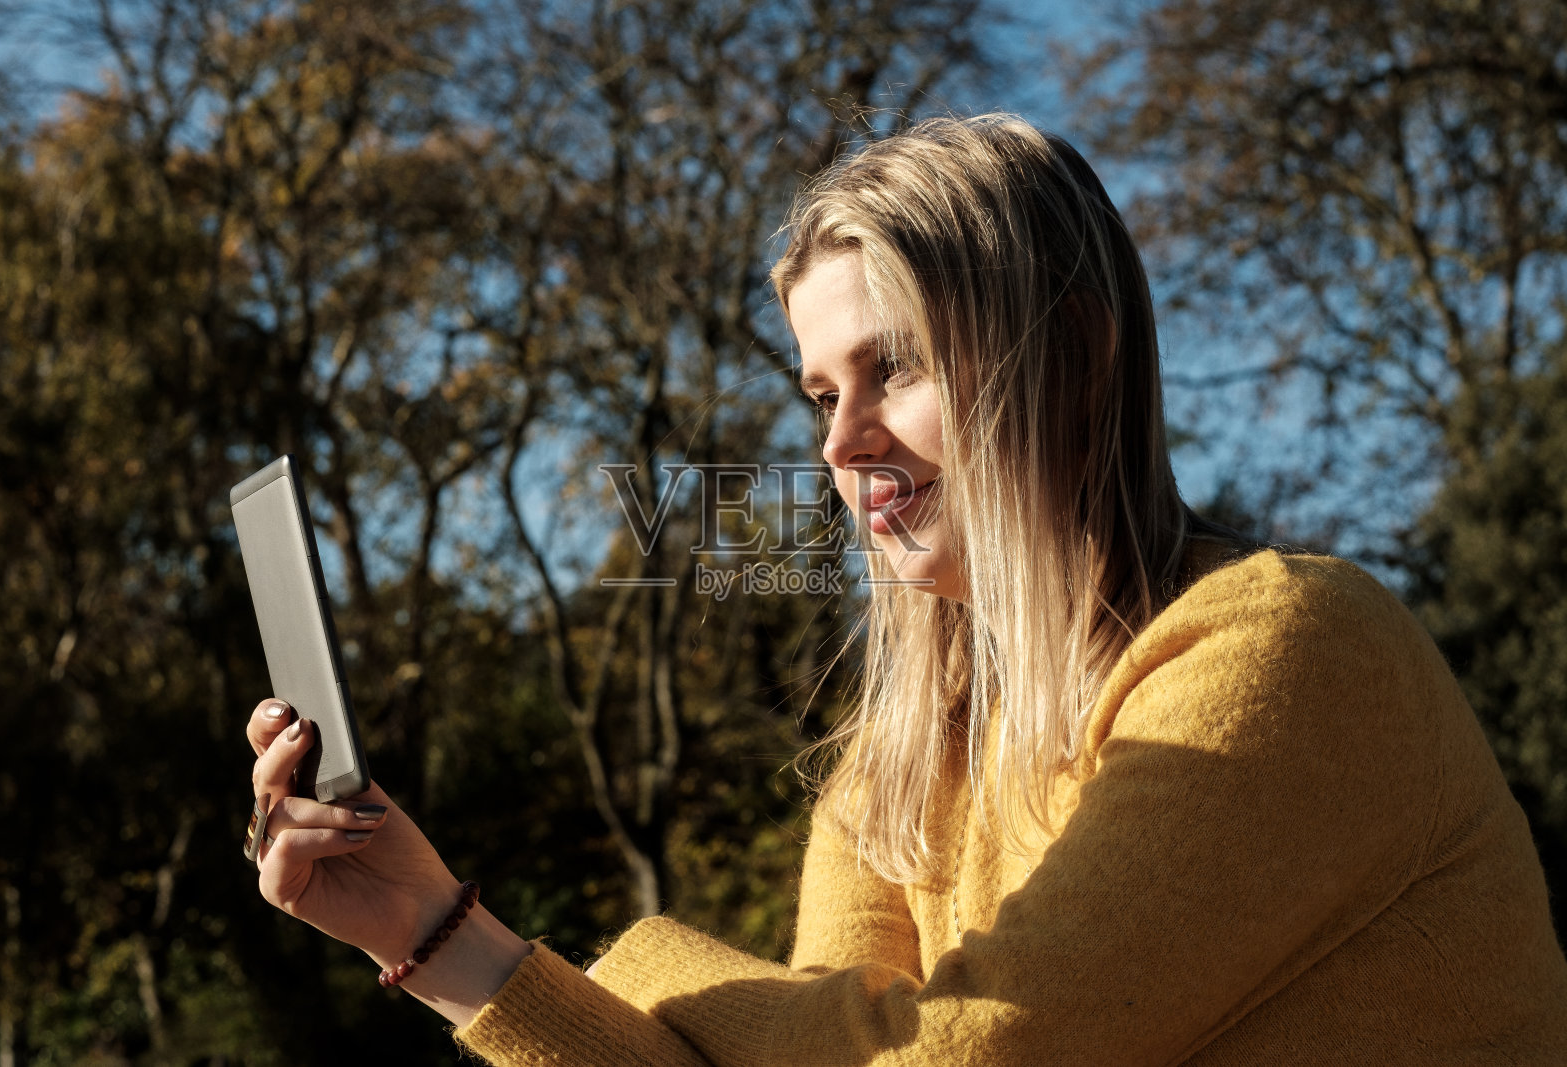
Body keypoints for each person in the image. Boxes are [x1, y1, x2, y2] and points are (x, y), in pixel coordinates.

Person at [243, 114, 1567, 1064]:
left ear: (1079, 354)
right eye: (823, 392)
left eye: (902, 370)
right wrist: (430, 930)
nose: (839, 440)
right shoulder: (901, 762)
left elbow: (954, 1057)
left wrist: (646, 971)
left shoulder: (1287, 650)